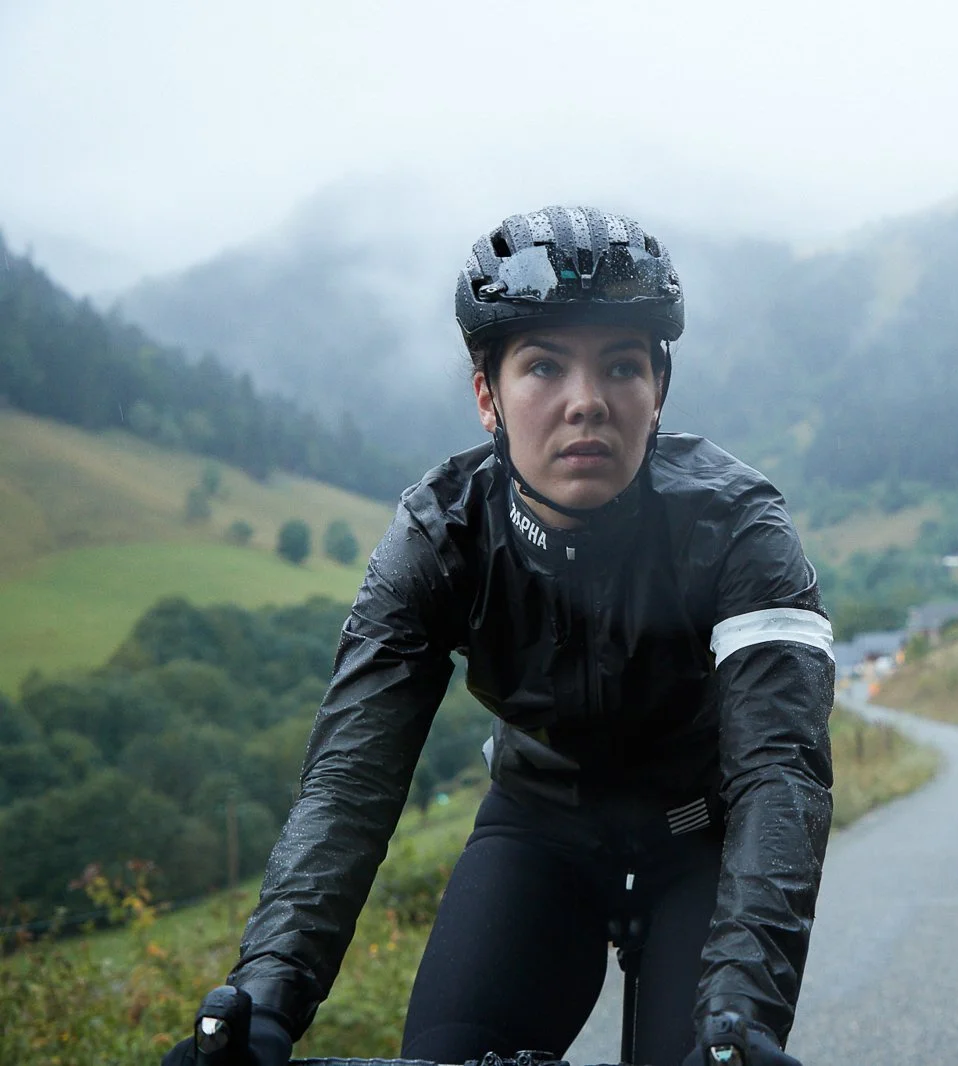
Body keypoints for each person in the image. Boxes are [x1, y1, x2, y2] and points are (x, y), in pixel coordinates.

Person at [161, 206, 835, 1066]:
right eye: (543, 365)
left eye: (622, 366)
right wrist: (266, 993)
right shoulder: (440, 535)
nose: (585, 402)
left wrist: (742, 1006)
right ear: (487, 394)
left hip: (705, 833)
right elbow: (348, 785)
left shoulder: (741, 528)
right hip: (538, 828)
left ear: (657, 392)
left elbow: (781, 774)